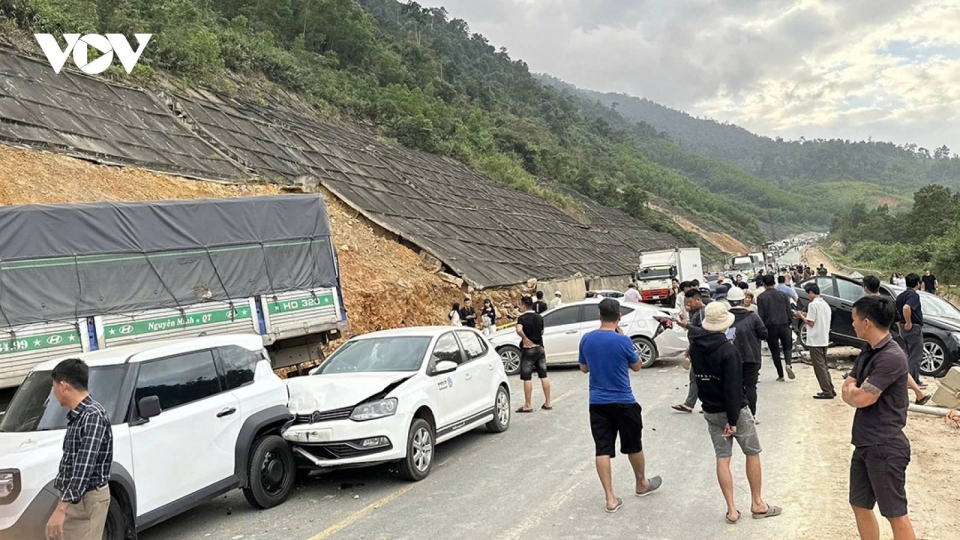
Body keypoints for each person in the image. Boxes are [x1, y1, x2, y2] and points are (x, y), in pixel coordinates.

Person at [690, 302, 781, 524]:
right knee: (752, 452)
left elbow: (699, 379)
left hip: (710, 409)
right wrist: (732, 420)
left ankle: (731, 509)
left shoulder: (695, 348)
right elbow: (733, 388)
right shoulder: (729, 351)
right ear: (725, 324)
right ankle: (757, 503)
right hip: (735, 411)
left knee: (723, 458)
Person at [842, 296, 916, 540]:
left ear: (866, 323)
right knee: (859, 504)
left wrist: (854, 391)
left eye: (854, 319)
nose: (852, 323)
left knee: (895, 514)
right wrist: (854, 391)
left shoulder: (891, 356)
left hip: (885, 445)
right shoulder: (869, 350)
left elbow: (862, 397)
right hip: (865, 442)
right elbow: (848, 386)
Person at [579, 298, 663, 512]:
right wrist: (623, 340)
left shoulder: (587, 339)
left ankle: (610, 498)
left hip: (597, 402)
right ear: (618, 317)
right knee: (634, 444)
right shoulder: (623, 341)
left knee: (602, 448)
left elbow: (584, 368)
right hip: (624, 401)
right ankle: (641, 483)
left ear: (599, 315)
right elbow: (637, 366)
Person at [47, 359, 113, 540]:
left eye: (53, 386)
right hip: (75, 499)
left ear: (63, 386)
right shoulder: (79, 416)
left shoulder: (92, 415)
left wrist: (61, 509)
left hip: (87, 500)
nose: (53, 392)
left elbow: (84, 467)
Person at [862, 276, 929, 405]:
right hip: (891, 335)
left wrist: (906, 324)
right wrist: (899, 331)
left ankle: (873, 394)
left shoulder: (865, 304)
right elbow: (897, 317)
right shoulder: (888, 300)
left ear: (865, 288)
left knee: (876, 364)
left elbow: (903, 310)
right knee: (901, 363)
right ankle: (917, 391)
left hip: (876, 338)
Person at [727, 287, 768, 421]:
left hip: (731, 359)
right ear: (742, 300)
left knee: (735, 387)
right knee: (751, 387)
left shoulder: (725, 318)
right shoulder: (753, 316)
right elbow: (764, 334)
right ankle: (751, 415)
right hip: (752, 357)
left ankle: (736, 416)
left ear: (728, 301)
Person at [796, 283, 835, 399]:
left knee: (819, 368)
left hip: (815, 339)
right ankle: (830, 388)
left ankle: (827, 391)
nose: (807, 296)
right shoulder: (825, 304)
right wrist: (806, 315)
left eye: (807, 294)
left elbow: (811, 323)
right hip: (824, 338)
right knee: (824, 365)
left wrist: (801, 316)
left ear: (811, 293)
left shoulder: (813, 305)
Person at [672, 289, 708, 413]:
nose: (689, 305)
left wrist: (686, 325)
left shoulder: (702, 312)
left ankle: (708, 404)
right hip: (696, 347)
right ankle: (690, 404)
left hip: (703, 349)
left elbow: (703, 331)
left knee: (703, 378)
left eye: (690, 302)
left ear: (698, 300)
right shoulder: (695, 312)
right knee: (695, 377)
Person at [757, 274, 796, 381]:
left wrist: (762, 330)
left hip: (770, 327)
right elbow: (788, 310)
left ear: (763, 284)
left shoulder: (761, 297)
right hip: (784, 324)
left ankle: (781, 375)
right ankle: (788, 364)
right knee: (787, 347)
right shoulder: (783, 295)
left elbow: (761, 315)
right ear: (774, 283)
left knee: (775, 351)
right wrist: (789, 322)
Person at [516, 296, 552, 413]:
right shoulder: (539, 317)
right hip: (540, 348)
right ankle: (548, 402)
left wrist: (525, 338)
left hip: (528, 350)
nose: (520, 307)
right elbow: (542, 332)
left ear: (523, 305)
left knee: (527, 377)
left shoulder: (522, 318)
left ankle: (528, 405)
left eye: (520, 305)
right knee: (543, 376)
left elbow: (519, 330)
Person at [896, 273, 925, 389]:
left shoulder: (900, 296)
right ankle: (912, 381)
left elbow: (897, 312)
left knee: (907, 355)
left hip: (903, 327)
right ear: (918, 283)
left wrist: (901, 326)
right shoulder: (914, 295)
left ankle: (914, 379)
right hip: (913, 327)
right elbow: (906, 308)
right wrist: (909, 322)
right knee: (916, 355)